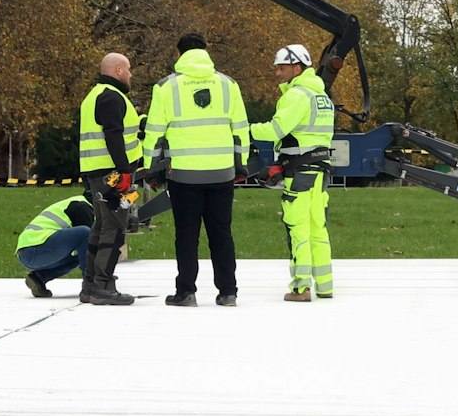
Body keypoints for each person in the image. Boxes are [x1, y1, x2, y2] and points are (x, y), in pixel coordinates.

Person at [143, 33, 248, 307]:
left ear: (179, 54)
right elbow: (240, 129)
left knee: (187, 234)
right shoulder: (229, 85)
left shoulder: (166, 87)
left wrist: (151, 168)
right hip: (222, 172)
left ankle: (186, 292)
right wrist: (241, 164)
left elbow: (154, 132)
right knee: (221, 232)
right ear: (206, 50)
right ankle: (228, 292)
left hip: (184, 174)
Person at [249, 43, 338, 301]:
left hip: (299, 172)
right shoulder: (321, 96)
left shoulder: (298, 94)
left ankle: (301, 287)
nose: (277, 73)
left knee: (297, 227)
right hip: (319, 171)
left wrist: (243, 129)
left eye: (282, 67)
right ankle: (324, 285)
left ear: (297, 67)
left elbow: (275, 130)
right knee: (317, 228)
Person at [75, 52, 140, 306]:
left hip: (96, 172)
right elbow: (114, 135)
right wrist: (124, 170)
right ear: (119, 70)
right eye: (129, 69)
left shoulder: (93, 96)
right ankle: (103, 285)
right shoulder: (112, 97)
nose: (131, 74)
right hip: (112, 174)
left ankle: (90, 284)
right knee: (114, 228)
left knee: (100, 227)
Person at [16, 191, 93, 297]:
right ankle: (92, 285)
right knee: (86, 233)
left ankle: (38, 278)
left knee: (78, 258)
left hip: (28, 252)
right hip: (36, 247)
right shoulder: (82, 207)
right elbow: (90, 244)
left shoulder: (77, 203)